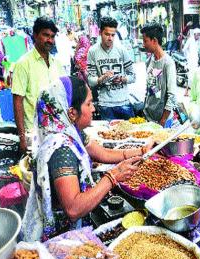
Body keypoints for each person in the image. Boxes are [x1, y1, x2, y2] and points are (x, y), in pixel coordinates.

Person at [21, 76, 150, 242]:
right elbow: (73, 209)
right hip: (62, 239)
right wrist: (113, 176)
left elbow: (103, 154)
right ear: (72, 112)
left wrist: (142, 150)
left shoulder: (71, 131)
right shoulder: (61, 149)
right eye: (89, 104)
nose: (94, 108)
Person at [12, 16, 65, 154]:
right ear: (35, 35)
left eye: (52, 36)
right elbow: (18, 102)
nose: (50, 40)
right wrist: (22, 137)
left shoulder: (56, 63)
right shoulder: (23, 64)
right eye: (46, 35)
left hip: (56, 130)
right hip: (34, 132)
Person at [87, 17, 136, 121]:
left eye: (113, 35)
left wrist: (122, 79)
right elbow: (90, 81)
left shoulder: (122, 50)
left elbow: (133, 76)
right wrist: (102, 79)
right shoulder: (92, 51)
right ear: (100, 33)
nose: (110, 38)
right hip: (105, 105)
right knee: (109, 136)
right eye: (107, 34)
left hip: (124, 102)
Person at [141, 22, 178, 127]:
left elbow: (172, 96)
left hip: (163, 121)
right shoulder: (149, 60)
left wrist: (163, 121)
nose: (143, 44)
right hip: (148, 117)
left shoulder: (168, 63)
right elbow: (149, 88)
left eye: (145, 41)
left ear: (154, 41)